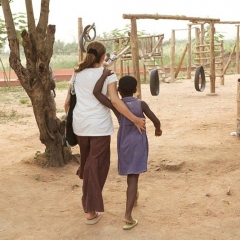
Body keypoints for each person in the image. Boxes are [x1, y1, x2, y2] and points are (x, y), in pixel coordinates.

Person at [64, 40, 145, 225]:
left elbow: (67, 102)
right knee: (96, 167)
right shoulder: (108, 74)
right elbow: (115, 101)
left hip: (80, 126)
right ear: (102, 56)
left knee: (88, 165)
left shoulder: (76, 73)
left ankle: (89, 201)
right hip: (98, 127)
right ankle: (90, 211)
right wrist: (134, 119)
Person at [94, 74, 162, 230]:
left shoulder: (116, 105)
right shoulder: (141, 104)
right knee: (133, 178)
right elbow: (156, 121)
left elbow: (98, 94)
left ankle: (134, 197)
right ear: (135, 89)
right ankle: (128, 216)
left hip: (124, 143)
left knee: (131, 175)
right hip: (138, 143)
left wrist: (104, 76)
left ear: (118, 90)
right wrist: (158, 130)